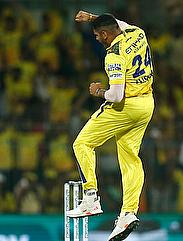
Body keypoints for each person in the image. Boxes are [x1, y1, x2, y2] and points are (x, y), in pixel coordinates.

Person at [66, 10, 155, 241]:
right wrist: (93, 18)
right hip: (147, 104)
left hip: (126, 106)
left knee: (82, 143)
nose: (97, 39)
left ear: (106, 35)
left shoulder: (113, 55)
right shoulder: (138, 33)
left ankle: (90, 197)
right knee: (130, 158)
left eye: (97, 36)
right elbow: (120, 23)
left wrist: (99, 91)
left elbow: (115, 95)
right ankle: (128, 213)